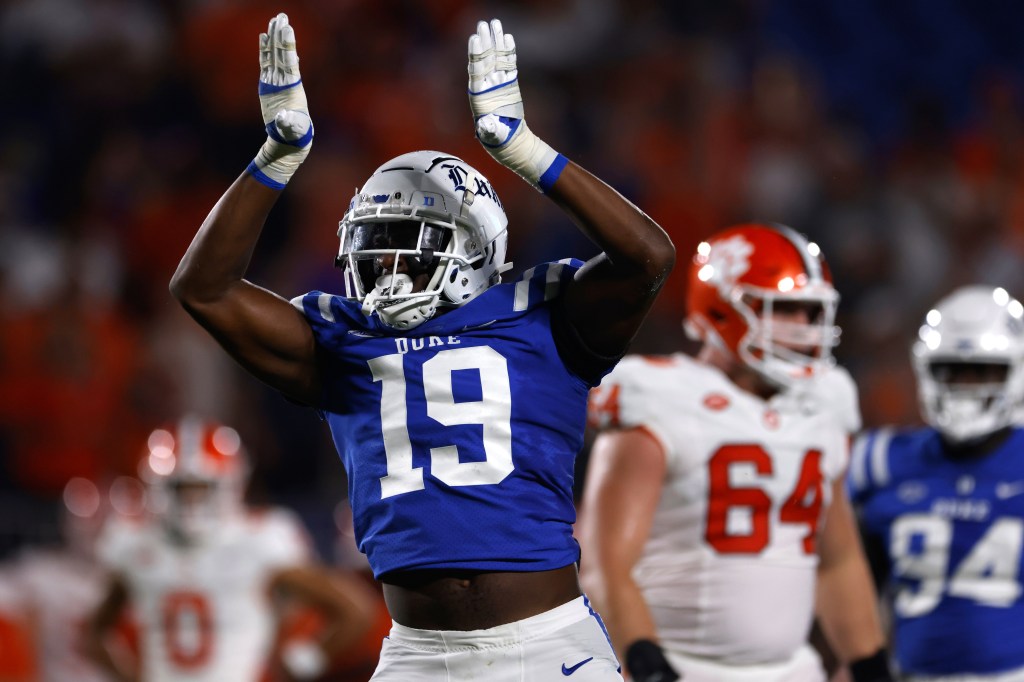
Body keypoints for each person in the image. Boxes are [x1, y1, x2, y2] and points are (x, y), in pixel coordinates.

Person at [168, 12, 674, 682]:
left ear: (475, 246)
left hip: (545, 644)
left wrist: (526, 151)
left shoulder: (543, 318)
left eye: (409, 246)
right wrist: (277, 157)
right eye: (374, 250)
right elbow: (202, 288)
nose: (386, 269)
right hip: (417, 654)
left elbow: (648, 255)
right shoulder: (343, 340)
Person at [579, 223, 891, 682]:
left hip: (794, 671)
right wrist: (647, 664)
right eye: (784, 310)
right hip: (684, 666)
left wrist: (869, 663)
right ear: (721, 309)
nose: (805, 329)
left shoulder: (826, 401)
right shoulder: (660, 396)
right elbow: (604, 566)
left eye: (811, 312)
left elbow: (837, 558)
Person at [83, 416, 376, 682]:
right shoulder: (135, 544)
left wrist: (300, 662)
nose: (191, 502)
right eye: (179, 489)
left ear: (228, 485)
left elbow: (355, 610)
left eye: (201, 489)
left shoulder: (259, 541)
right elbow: (94, 631)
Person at [848, 284, 1024, 681]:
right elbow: (846, 576)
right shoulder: (880, 461)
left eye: (982, 371)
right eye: (951, 370)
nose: (964, 384)